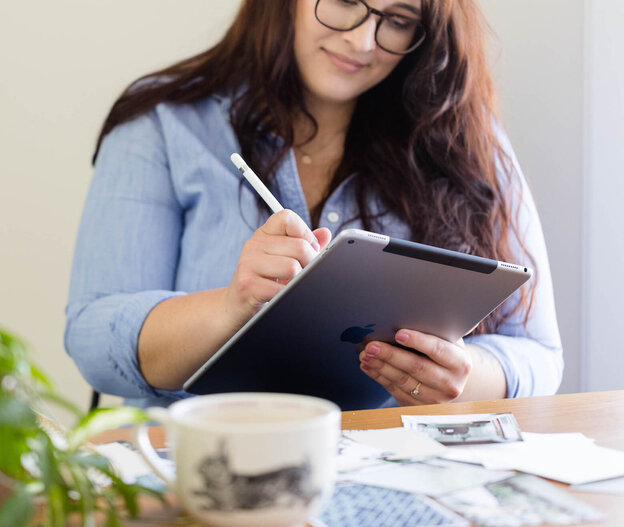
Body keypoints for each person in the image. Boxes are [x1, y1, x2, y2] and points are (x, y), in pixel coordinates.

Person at [65, 0, 563, 409]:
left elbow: (539, 355)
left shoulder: (463, 141)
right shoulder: (164, 122)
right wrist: (228, 307)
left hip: (393, 475)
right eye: (346, 0)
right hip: (211, 477)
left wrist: (464, 377)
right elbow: (91, 336)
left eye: (398, 20)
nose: (362, 40)